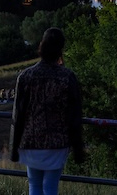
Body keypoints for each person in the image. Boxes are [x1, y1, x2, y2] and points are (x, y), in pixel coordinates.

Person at [10, 27, 85, 195]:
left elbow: (18, 115)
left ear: (41, 46)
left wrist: (14, 147)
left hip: (31, 141)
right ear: (60, 49)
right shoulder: (67, 77)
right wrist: (78, 148)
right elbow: (75, 115)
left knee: (34, 185)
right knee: (50, 187)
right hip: (57, 143)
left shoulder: (26, 76)